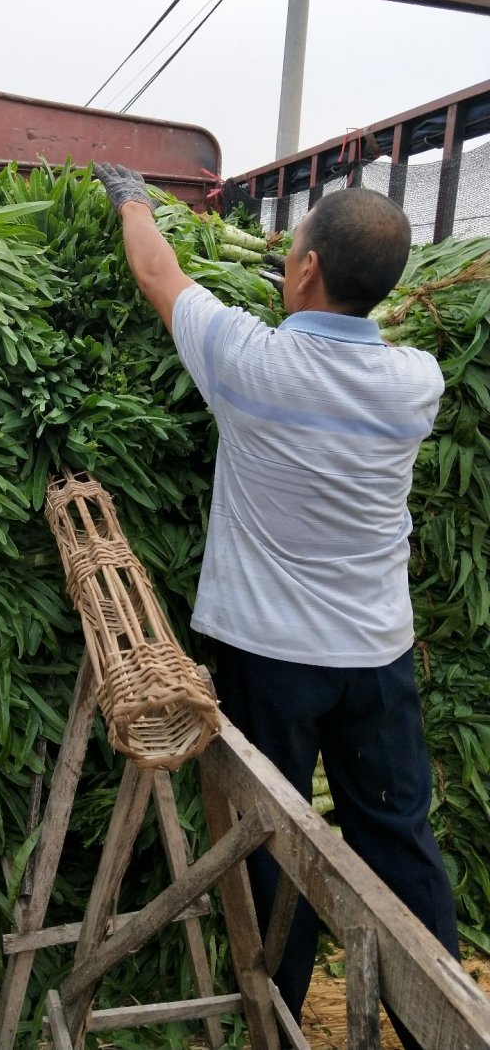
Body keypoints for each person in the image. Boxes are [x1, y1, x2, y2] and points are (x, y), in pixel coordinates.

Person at [92, 162, 460, 1050]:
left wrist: (131, 199)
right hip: (376, 656)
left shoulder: (252, 365)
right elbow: (367, 326)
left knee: (273, 839)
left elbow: (158, 274)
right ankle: (446, 1019)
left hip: (274, 659)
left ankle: (281, 1020)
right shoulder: (417, 383)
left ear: (303, 271)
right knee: (397, 836)